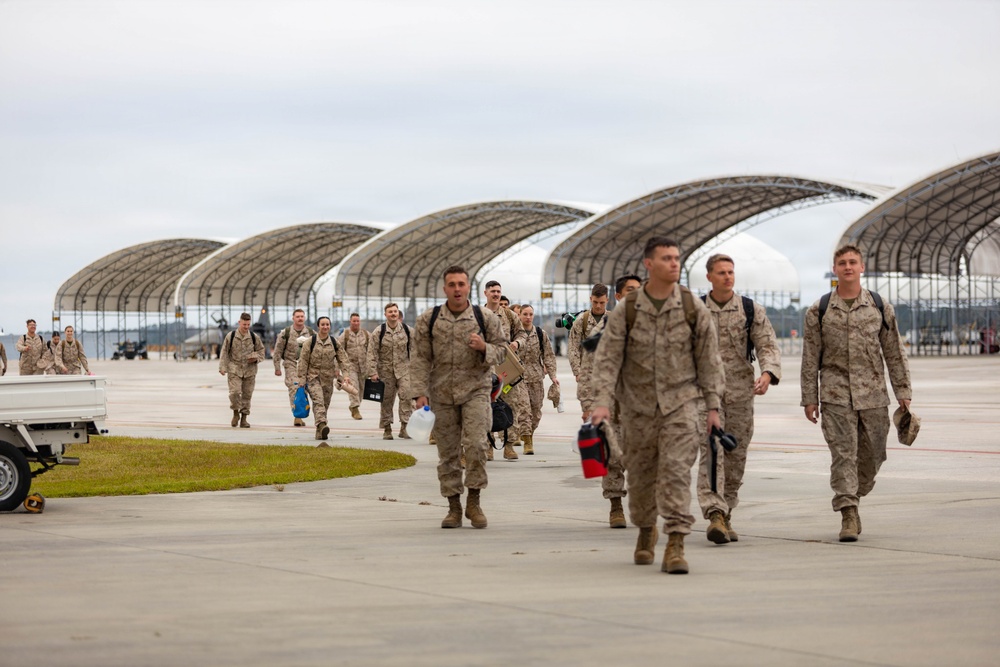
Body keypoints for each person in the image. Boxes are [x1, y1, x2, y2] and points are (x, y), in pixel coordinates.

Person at [591, 237, 725, 574]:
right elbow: (607, 359)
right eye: (666, 258)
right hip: (637, 409)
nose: (674, 263)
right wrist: (602, 403)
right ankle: (646, 529)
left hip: (681, 406)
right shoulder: (629, 309)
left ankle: (677, 541)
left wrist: (712, 407)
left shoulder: (693, 307)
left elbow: (709, 360)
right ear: (649, 264)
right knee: (641, 476)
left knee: (677, 472)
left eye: (677, 258)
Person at [801, 244, 912, 542]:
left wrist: (903, 390)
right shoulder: (820, 309)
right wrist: (809, 398)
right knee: (843, 454)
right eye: (842, 263)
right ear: (835, 270)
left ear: (862, 268)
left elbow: (894, 351)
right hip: (835, 395)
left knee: (874, 453)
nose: (848, 267)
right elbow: (810, 357)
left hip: (873, 394)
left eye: (853, 262)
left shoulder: (879, 306)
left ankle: (856, 491)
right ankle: (848, 511)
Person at [411, 265, 507, 529]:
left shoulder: (484, 318)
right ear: (445, 289)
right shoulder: (429, 320)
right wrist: (419, 393)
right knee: (448, 453)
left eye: (461, 284)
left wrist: (484, 347)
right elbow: (419, 358)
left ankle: (474, 502)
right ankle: (453, 507)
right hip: (441, 394)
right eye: (451, 285)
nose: (456, 289)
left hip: (476, 390)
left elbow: (502, 351)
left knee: (476, 445)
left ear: (468, 288)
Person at [695, 254, 782, 544]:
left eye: (731, 272)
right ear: (709, 277)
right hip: (704, 395)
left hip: (741, 393)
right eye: (721, 273)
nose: (727, 277)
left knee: (736, 455)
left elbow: (767, 344)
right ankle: (714, 512)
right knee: (711, 451)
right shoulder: (695, 309)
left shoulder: (749, 309)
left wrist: (768, 373)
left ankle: (727, 509)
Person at [577, 274, 642, 528]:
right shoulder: (605, 327)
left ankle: (643, 506)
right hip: (614, 405)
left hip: (644, 405)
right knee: (613, 458)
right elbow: (592, 369)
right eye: (629, 290)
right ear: (618, 296)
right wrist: (589, 404)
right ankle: (616, 505)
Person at [482, 279, 527, 460]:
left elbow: (522, 333)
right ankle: (488, 446)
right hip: (485, 368)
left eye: (498, 291)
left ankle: (509, 445)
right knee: (485, 407)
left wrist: (517, 343)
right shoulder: (478, 314)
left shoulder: (509, 315)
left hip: (505, 367)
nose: (495, 294)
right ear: (485, 293)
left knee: (511, 405)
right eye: (492, 291)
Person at [515, 304, 559, 455]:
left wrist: (553, 376)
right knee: (524, 410)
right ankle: (527, 442)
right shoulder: (514, 335)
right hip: (518, 378)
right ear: (519, 315)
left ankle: (529, 434)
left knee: (536, 411)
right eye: (525, 314)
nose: (528, 317)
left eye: (530, 314)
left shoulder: (541, 334)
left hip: (536, 377)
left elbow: (549, 355)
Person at [366, 303, 413, 440]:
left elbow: (415, 349)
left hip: (404, 369)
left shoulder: (407, 330)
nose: (393, 314)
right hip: (385, 371)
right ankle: (387, 428)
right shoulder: (378, 332)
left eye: (395, 311)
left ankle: (405, 427)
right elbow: (371, 353)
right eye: (390, 312)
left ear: (398, 313)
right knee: (386, 400)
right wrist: (372, 372)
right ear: (385, 314)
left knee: (406, 397)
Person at [298, 316, 350, 440]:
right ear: (318, 326)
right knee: (318, 401)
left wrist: (346, 375)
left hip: (328, 379)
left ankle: (319, 430)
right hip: (313, 377)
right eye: (323, 324)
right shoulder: (310, 342)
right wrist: (301, 380)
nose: (325, 327)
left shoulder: (333, 342)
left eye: (327, 324)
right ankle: (322, 424)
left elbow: (343, 359)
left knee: (324, 405)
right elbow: (303, 361)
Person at [219, 312, 265, 428]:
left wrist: (256, 358)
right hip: (234, 368)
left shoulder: (254, 337)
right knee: (234, 393)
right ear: (239, 322)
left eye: (248, 324)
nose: (246, 327)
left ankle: (244, 418)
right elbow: (224, 351)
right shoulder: (231, 335)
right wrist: (222, 367)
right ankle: (235, 413)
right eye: (244, 324)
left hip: (250, 370)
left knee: (247, 396)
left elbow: (262, 352)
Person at [273, 308, 314, 426]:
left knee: (305, 389)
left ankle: (303, 411)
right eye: (298, 316)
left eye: (302, 316)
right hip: (291, 364)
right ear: (293, 318)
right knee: (294, 388)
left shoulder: (311, 333)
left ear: (304, 318)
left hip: (306, 365)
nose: (300, 318)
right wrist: (277, 367)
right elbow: (278, 350)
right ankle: (297, 416)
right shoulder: (285, 333)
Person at [568, 283, 609, 391]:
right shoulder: (581, 321)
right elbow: (573, 347)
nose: (598, 306)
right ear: (591, 299)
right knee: (589, 406)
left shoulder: (613, 319)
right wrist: (577, 372)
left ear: (607, 300)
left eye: (602, 303)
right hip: (587, 374)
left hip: (608, 374)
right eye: (595, 302)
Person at [338, 313, 370, 421]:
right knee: (353, 386)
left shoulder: (366, 334)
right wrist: (337, 368)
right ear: (350, 322)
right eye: (354, 321)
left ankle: (354, 406)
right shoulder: (345, 335)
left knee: (361, 391)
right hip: (350, 366)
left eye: (357, 321)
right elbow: (338, 351)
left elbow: (372, 350)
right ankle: (355, 408)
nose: (356, 323)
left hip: (364, 367)